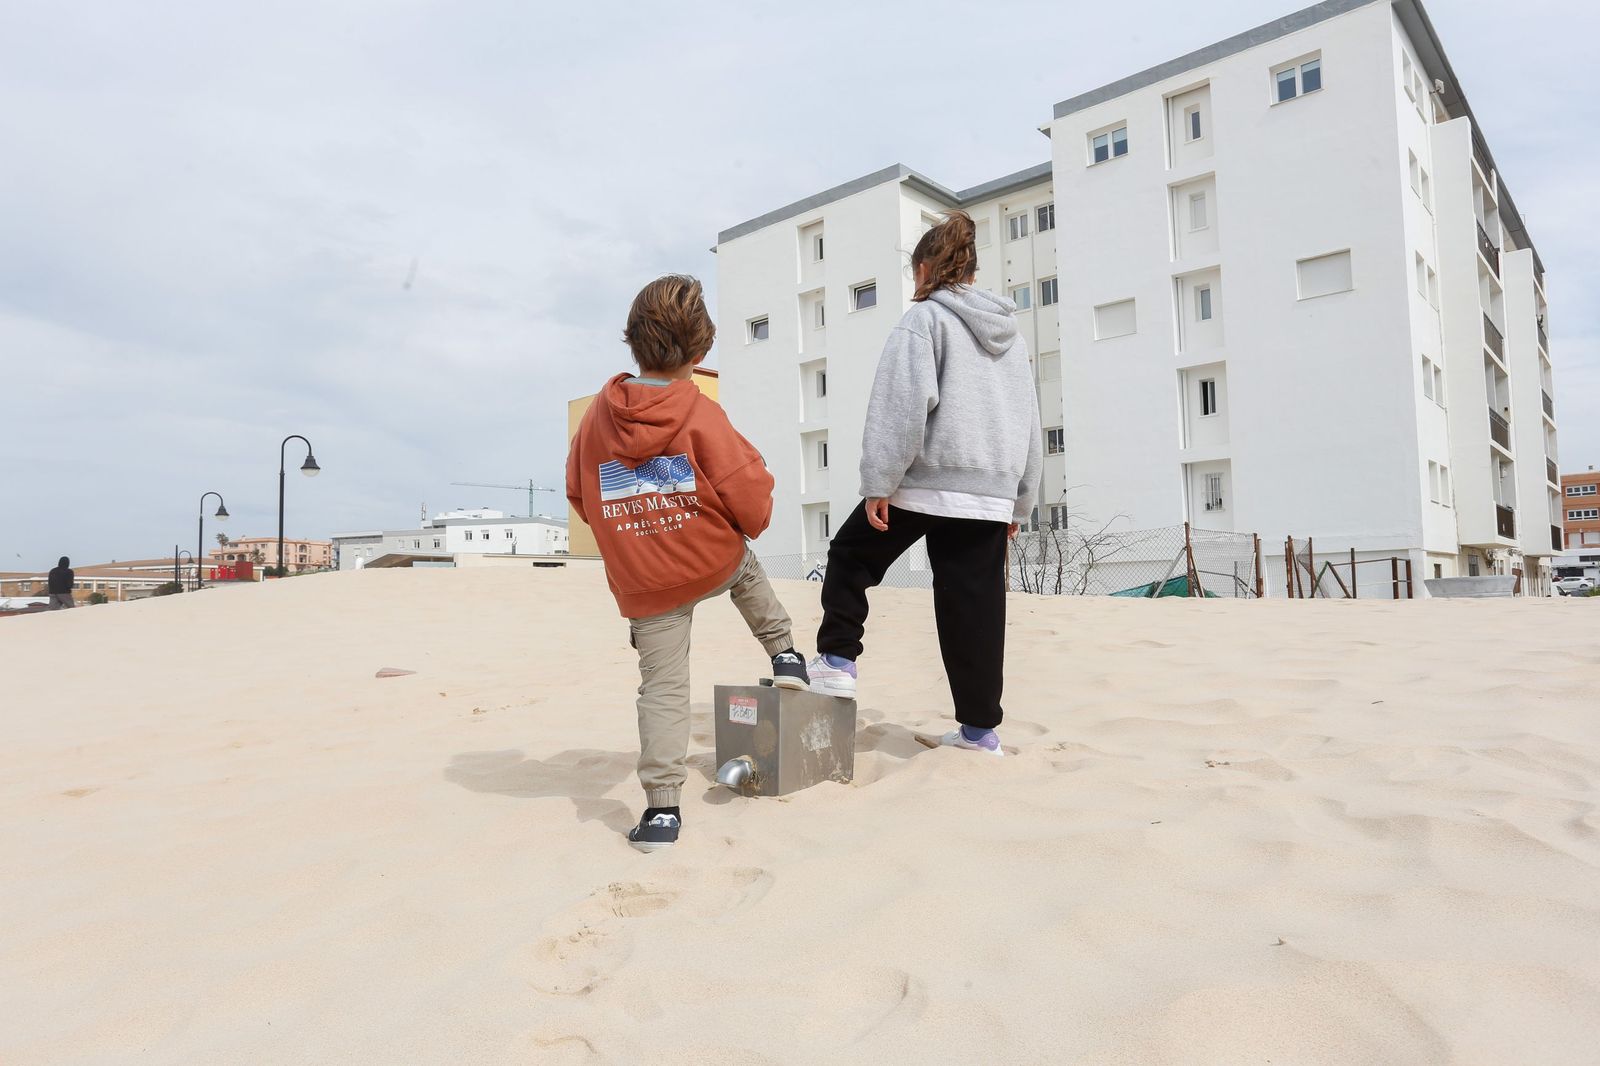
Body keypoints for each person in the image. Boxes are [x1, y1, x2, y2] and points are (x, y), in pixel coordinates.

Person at [567, 274, 809, 851]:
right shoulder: (701, 412)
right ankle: (784, 652)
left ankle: (662, 812)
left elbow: (579, 493)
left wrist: (628, 536)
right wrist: (745, 517)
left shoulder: (596, 419)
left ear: (632, 341)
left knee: (663, 690)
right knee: (745, 568)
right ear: (700, 353)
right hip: (710, 557)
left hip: (647, 584)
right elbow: (747, 494)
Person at [807, 211, 1041, 757]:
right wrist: (1020, 503)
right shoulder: (1013, 339)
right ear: (973, 273)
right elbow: (1030, 422)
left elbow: (901, 408)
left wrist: (879, 482)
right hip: (990, 494)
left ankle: (837, 659)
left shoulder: (925, 320)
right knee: (975, 612)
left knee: (850, 556)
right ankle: (980, 733)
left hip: (926, 484)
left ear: (924, 269)